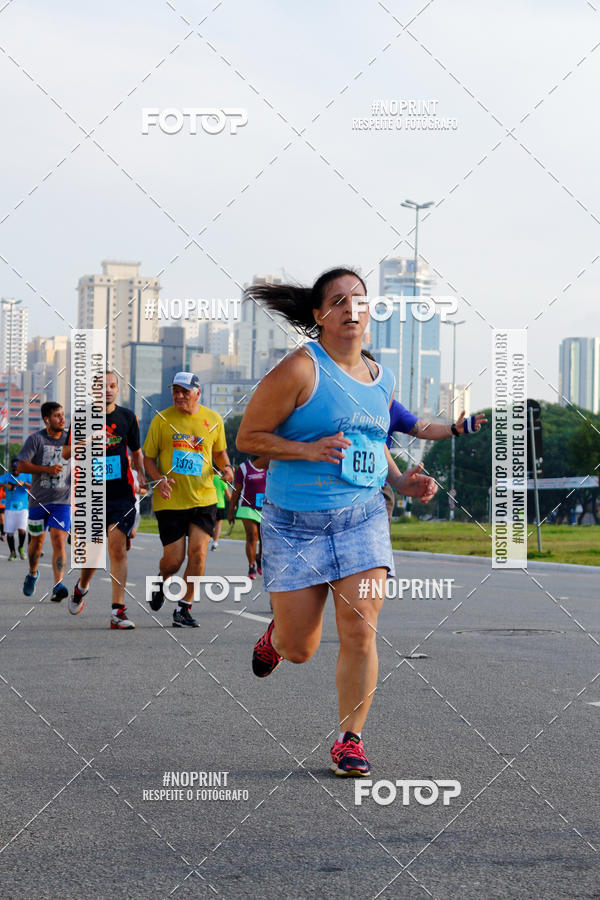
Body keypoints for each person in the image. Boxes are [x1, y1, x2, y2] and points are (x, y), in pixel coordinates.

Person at [236, 267, 437, 777]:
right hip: (294, 526)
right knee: (300, 647)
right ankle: (276, 639)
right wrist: (308, 449)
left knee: (360, 628)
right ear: (319, 315)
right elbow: (249, 438)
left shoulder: (381, 377)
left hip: (362, 520)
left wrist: (401, 482)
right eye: (339, 301)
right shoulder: (300, 369)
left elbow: (373, 441)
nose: (351, 309)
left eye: (359, 300)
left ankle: (350, 739)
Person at [143, 372, 234, 628]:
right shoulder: (162, 420)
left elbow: (219, 453)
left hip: (204, 498)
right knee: (174, 561)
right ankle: (161, 579)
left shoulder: (213, 419)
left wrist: (227, 467)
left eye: (185, 391)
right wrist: (158, 479)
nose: (179, 396)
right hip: (170, 501)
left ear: (197, 393)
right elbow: (148, 459)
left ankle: (184, 607)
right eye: (176, 391)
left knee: (198, 554)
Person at [62, 371, 147, 629]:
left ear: (117, 389)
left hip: (122, 494)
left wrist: (142, 474)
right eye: (102, 385)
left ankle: (117, 611)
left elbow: (136, 452)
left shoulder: (127, 417)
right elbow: (66, 452)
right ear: (93, 389)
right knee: (93, 555)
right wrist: (88, 440)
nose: (107, 390)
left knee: (117, 548)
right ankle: (82, 586)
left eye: (112, 385)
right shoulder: (81, 417)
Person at [383, 398, 488, 521]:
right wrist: (397, 481)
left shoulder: (389, 404)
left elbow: (422, 428)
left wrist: (454, 429)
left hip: (379, 491)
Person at [17, 401, 71, 601]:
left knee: (58, 540)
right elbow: (21, 466)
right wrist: (47, 469)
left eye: (63, 414)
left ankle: (58, 585)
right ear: (47, 419)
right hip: (38, 501)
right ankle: (32, 573)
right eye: (57, 415)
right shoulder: (36, 439)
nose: (62, 419)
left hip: (62, 501)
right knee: (37, 543)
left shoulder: (70, 439)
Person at [227, 457, 267, 578]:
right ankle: (251, 565)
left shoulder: (270, 466)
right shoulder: (243, 468)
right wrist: (230, 511)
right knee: (252, 535)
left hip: (265, 508)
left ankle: (259, 558)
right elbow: (236, 491)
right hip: (247, 507)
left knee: (264, 538)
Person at [0, 460, 31, 560]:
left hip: (23, 508)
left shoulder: (27, 476)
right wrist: (5, 485)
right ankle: (12, 552)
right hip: (9, 508)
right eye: (13, 468)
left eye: (17, 468)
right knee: (10, 532)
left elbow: (35, 486)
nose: (15, 470)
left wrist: (24, 484)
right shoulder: (6, 477)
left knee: (22, 530)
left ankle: (21, 547)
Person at [210, 471, 232, 550]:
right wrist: (233, 504)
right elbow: (228, 495)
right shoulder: (222, 479)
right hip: (220, 505)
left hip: (209, 504)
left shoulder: (209, 478)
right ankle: (215, 543)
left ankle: (209, 538)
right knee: (218, 525)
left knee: (209, 523)